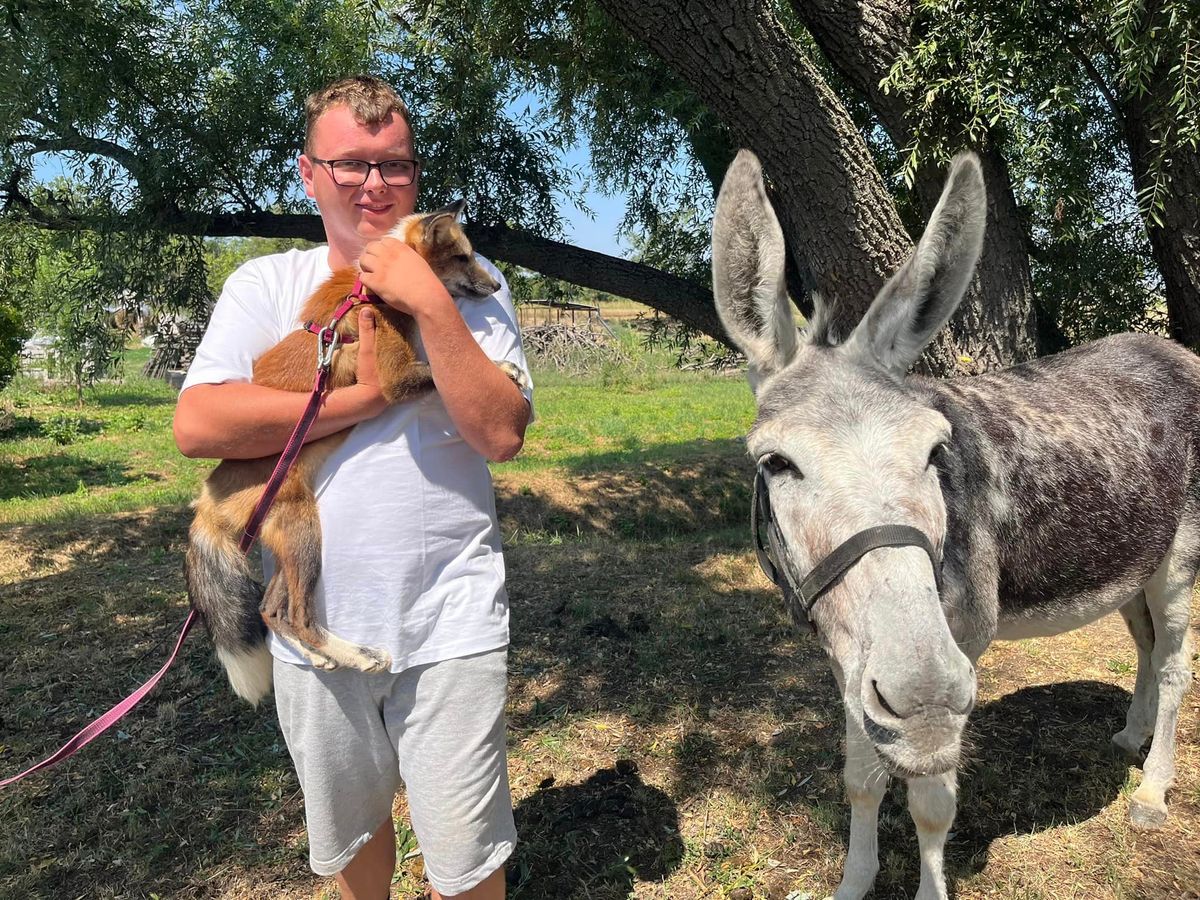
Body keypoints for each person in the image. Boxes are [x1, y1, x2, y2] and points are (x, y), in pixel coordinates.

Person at [173, 75, 531, 900]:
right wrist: (364, 399)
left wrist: (429, 303)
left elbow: (503, 433)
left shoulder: (470, 284)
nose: (374, 183)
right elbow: (198, 428)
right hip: (318, 632)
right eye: (350, 165)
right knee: (353, 842)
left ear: (413, 176)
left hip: (452, 620)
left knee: (469, 860)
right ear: (308, 175)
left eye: (394, 166)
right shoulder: (265, 286)